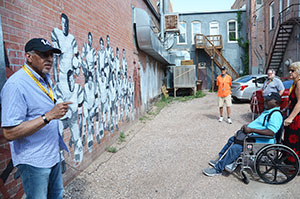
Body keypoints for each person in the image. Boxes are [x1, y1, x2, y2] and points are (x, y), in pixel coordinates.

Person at [1, 38, 71, 198]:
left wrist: (56, 112)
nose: (49, 59)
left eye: (51, 55)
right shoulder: (16, 85)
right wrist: (49, 116)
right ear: (28, 57)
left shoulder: (45, 79)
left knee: (57, 195)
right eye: (43, 54)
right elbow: (9, 133)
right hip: (34, 161)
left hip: (51, 155)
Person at [203, 92, 283, 176]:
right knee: (232, 139)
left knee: (236, 147)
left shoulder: (275, 115)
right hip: (253, 137)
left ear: (276, 103)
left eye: (268, 100)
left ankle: (218, 169)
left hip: (261, 141)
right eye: (266, 99)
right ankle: (221, 159)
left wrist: (251, 129)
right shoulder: (268, 112)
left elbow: (271, 132)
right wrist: (247, 126)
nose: (265, 101)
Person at [283, 62, 300, 163]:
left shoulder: (299, 83)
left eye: (292, 70)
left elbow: (299, 102)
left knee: (294, 141)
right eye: (289, 70)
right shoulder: (295, 83)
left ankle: (293, 165)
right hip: (295, 116)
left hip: (297, 118)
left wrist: (290, 118)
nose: (290, 72)